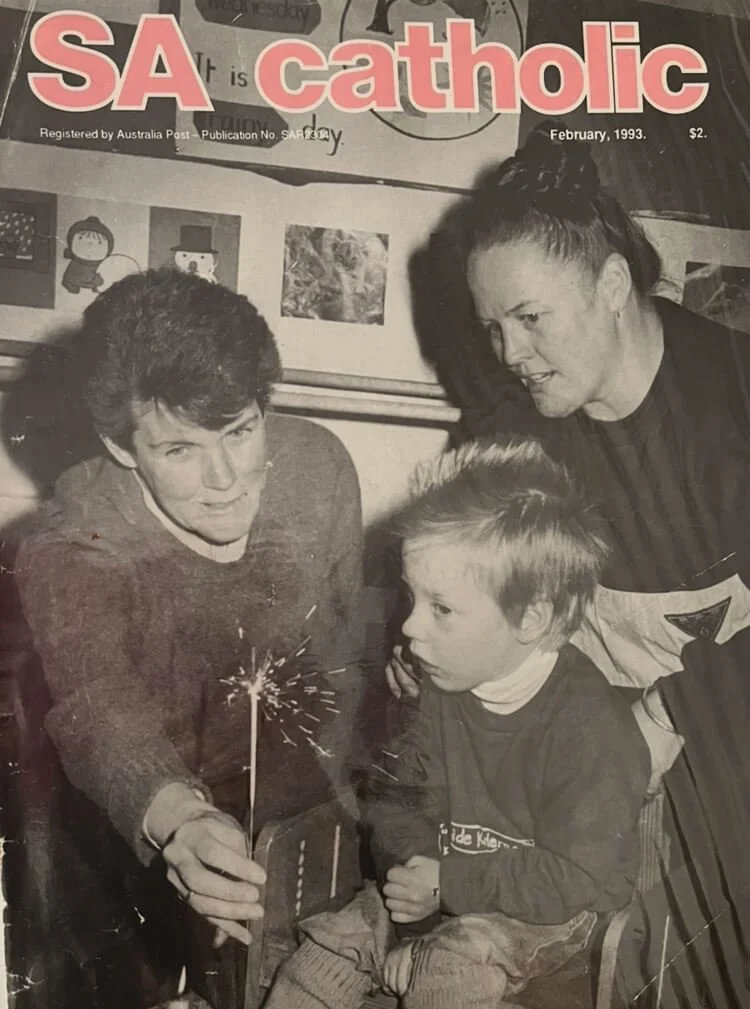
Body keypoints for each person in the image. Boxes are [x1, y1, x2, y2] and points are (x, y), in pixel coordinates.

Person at [389, 122, 750, 1004]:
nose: (509, 353)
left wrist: (668, 710)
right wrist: (431, 652)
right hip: (574, 769)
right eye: (492, 327)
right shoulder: (506, 431)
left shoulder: (735, 394)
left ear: (612, 283)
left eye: (530, 318)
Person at [10, 268, 365, 1007]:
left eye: (241, 430)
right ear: (120, 446)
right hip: (129, 834)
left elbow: (335, 661)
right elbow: (100, 708)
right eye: (180, 451)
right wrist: (180, 818)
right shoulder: (69, 543)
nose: (227, 478)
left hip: (287, 818)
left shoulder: (318, 471)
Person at [266, 438, 650, 1009]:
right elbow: (395, 803)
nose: (410, 626)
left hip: (550, 918)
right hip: (441, 889)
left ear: (531, 618)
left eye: (441, 608)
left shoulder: (593, 729)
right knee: (324, 954)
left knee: (450, 973)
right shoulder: (437, 687)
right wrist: (413, 901)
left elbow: (574, 877)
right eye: (412, 597)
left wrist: (446, 892)